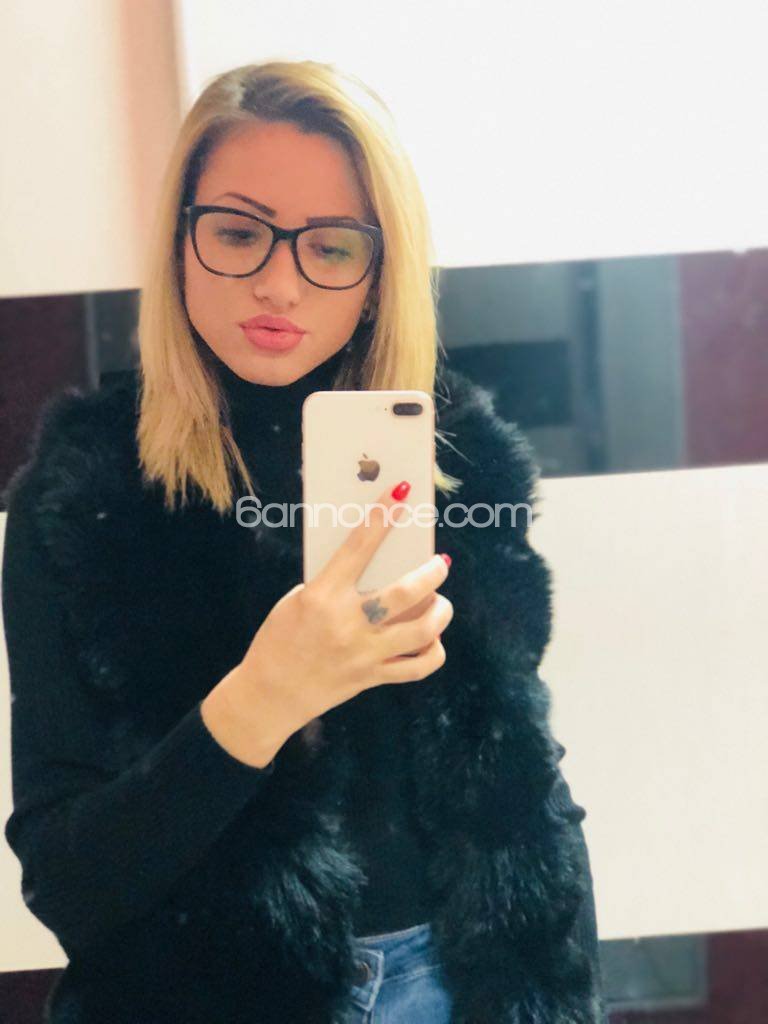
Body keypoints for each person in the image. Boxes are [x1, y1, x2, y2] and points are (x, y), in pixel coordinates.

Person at [2, 60, 606, 1023]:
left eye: (331, 247)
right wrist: (260, 702)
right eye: (239, 232)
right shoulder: (82, 496)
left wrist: (565, 997)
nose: (279, 283)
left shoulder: (451, 458)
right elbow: (70, 885)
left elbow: (524, 779)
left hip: (460, 990)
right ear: (179, 243)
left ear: (378, 273)